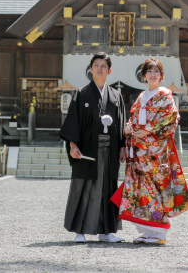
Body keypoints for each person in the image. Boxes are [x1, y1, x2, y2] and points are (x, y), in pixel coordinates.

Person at [118, 58, 188, 245]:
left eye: (156, 71)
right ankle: (146, 230)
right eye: (149, 71)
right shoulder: (142, 96)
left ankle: (159, 232)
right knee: (142, 188)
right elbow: (134, 116)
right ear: (144, 75)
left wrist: (149, 129)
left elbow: (172, 118)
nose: (152, 74)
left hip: (156, 151)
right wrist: (129, 127)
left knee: (156, 187)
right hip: (139, 149)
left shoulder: (166, 95)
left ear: (161, 75)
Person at [59, 51, 127, 243]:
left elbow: (121, 123)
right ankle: (79, 231)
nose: (99, 69)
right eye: (96, 65)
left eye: (103, 66)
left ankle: (106, 232)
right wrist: (73, 144)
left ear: (109, 70)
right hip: (87, 150)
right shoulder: (82, 93)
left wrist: (122, 147)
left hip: (110, 150)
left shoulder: (115, 96)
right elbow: (73, 121)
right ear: (91, 69)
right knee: (83, 187)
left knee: (107, 188)